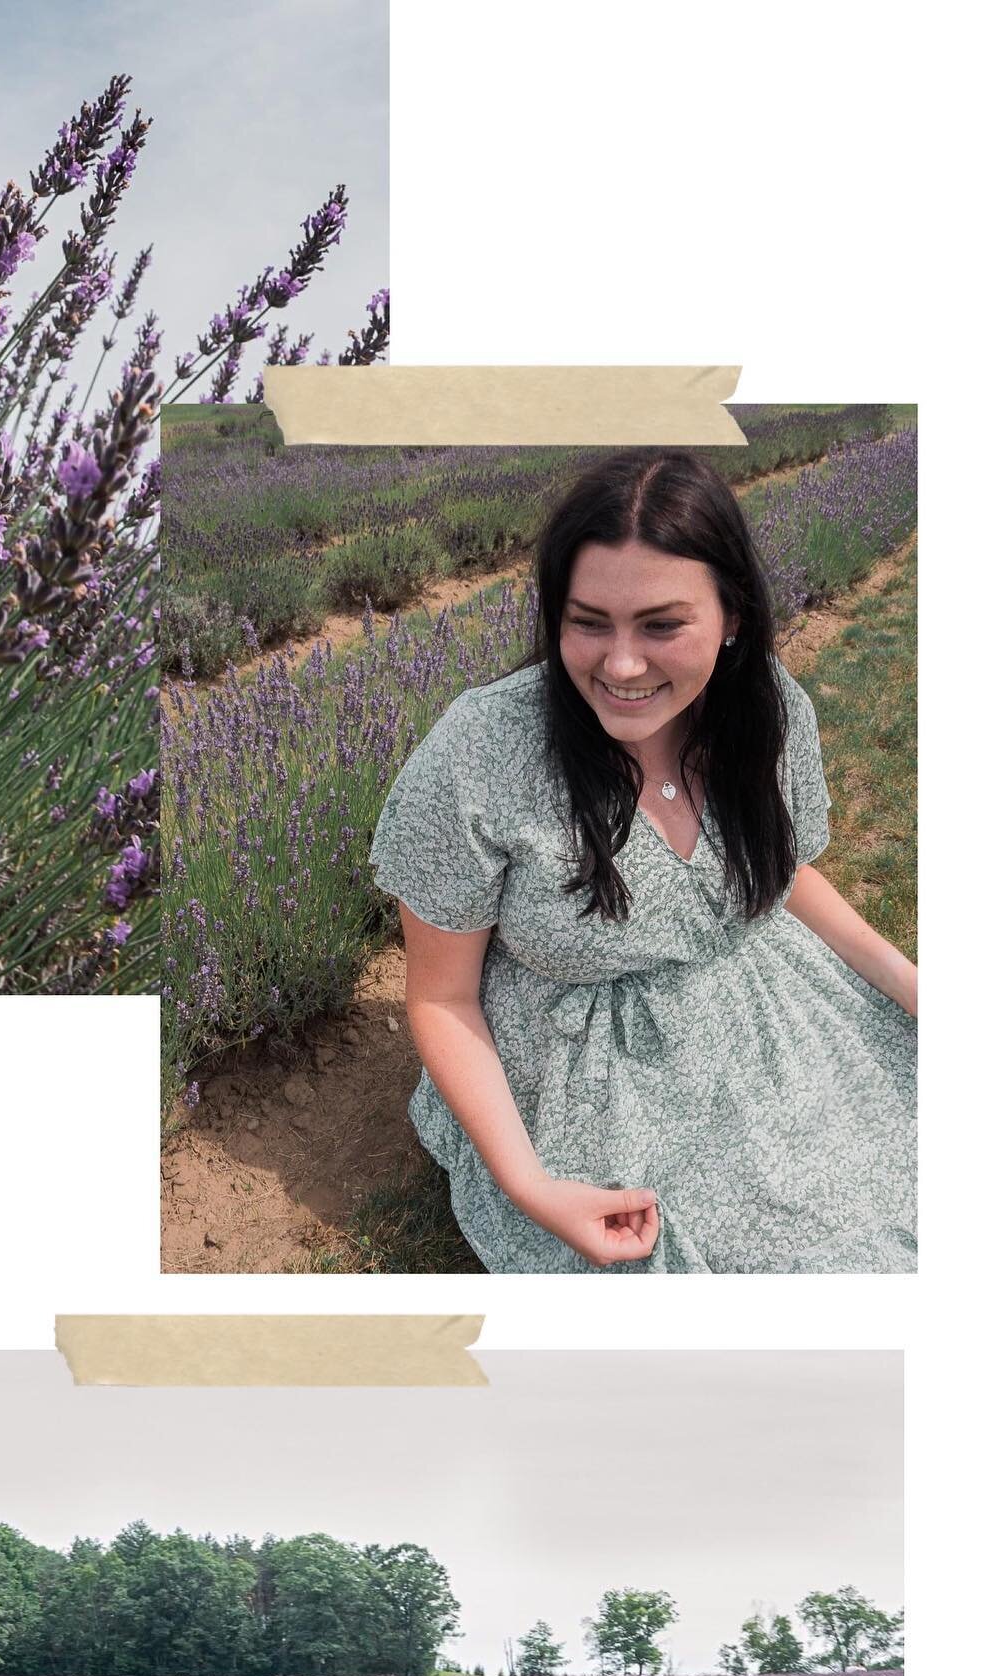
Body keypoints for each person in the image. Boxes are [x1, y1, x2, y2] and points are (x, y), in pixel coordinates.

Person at [369, 449, 916, 1274]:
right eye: (589, 622)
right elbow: (441, 997)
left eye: (662, 624)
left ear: (732, 616)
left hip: (766, 1018)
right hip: (587, 1075)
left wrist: (911, 984)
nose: (621, 665)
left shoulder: (765, 714)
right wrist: (530, 1186)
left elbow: (784, 875)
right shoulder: (483, 753)